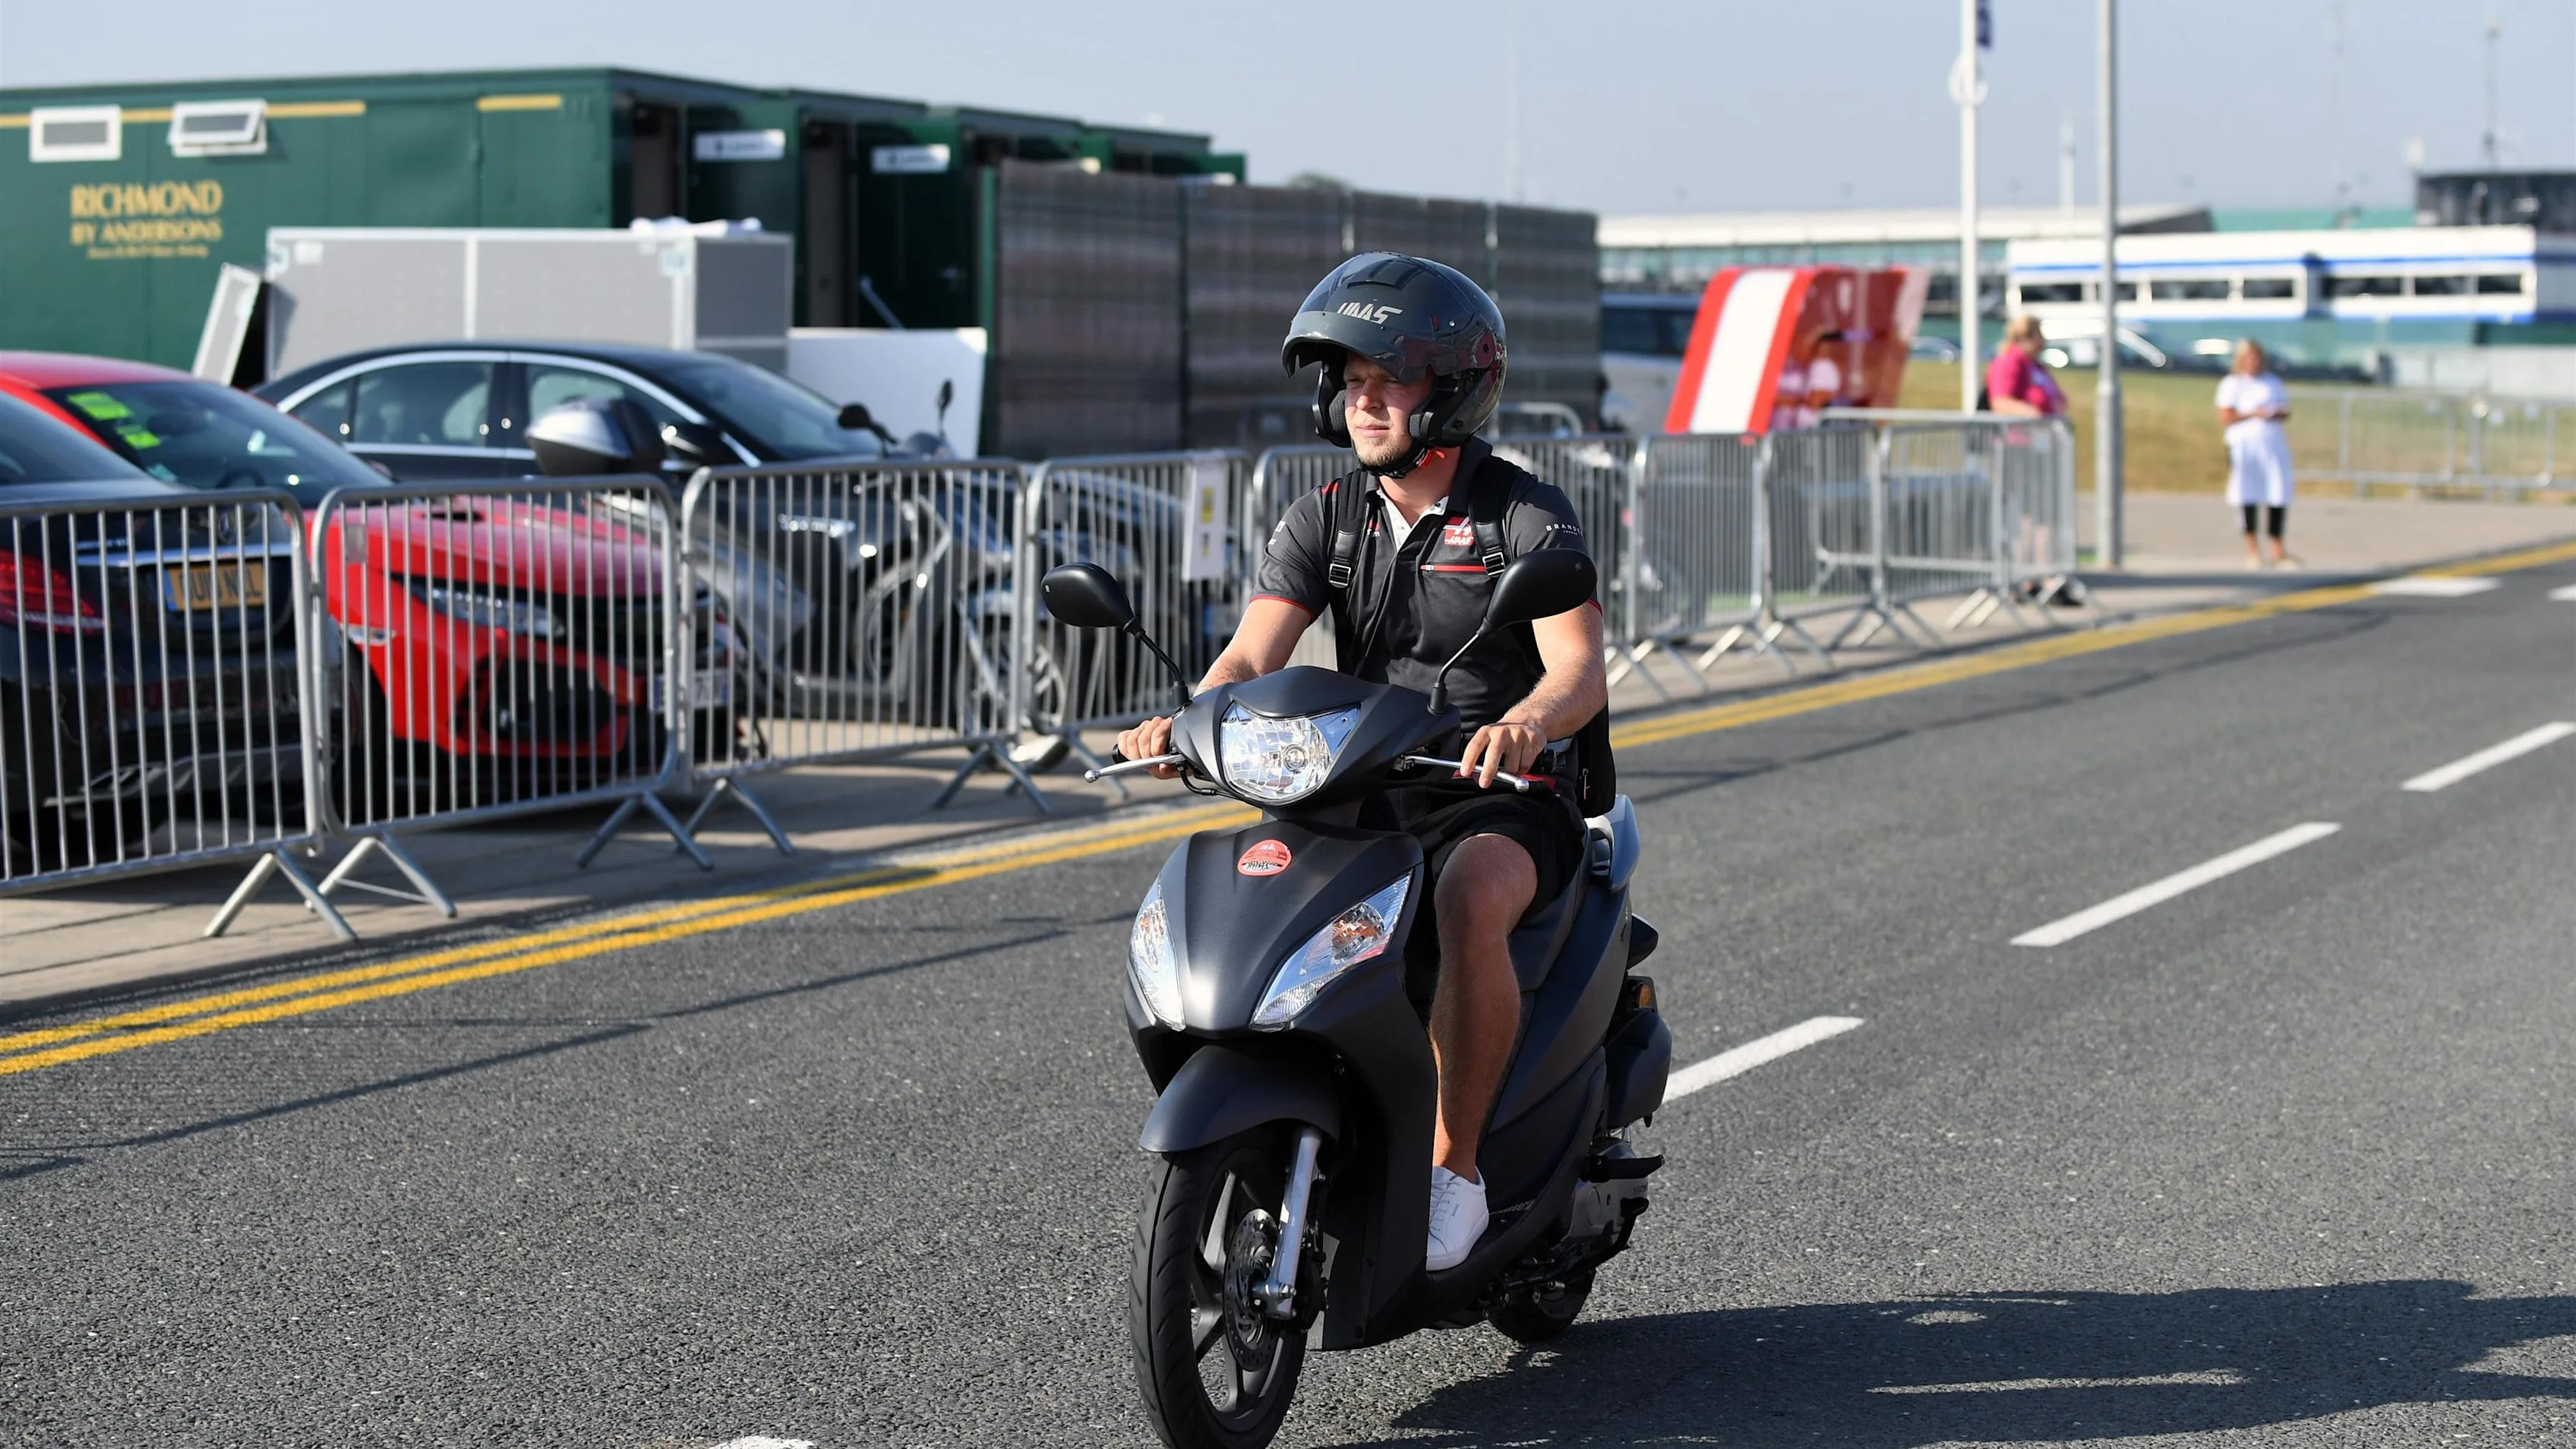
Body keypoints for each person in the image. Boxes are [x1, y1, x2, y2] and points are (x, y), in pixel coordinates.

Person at [1116, 254, 1608, 1272]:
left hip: (1498, 794)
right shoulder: (1325, 517)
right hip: (1363, 779)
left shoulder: (1523, 514)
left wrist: (1525, 723)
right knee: (1261, 886)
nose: (1363, 400)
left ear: (1453, 389)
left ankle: (1453, 1174)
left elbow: (1578, 667)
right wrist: (1187, 721)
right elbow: (1249, 657)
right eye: (1349, 380)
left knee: (1468, 897)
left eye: (1388, 378)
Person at [2215, 338, 2296, 568]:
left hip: (2271, 445)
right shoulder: (2232, 384)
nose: (2254, 363)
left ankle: (2277, 548)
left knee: (2277, 493)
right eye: (2250, 358)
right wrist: (2254, 414)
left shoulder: (2272, 383)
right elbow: (2225, 416)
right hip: (2244, 447)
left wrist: (2276, 413)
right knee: (2246, 494)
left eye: (2257, 358)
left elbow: (2285, 411)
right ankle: (2252, 549)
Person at [1983, 315, 2066, 418]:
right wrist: (2031, 412)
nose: (2043, 341)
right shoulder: (2008, 362)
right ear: (2025, 337)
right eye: (2038, 335)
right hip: (2020, 426)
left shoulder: (2035, 365)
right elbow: (2000, 402)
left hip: (2045, 426)